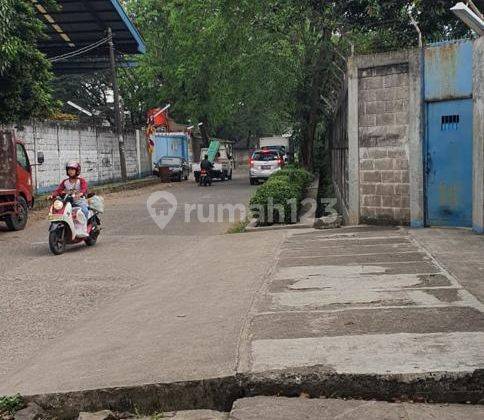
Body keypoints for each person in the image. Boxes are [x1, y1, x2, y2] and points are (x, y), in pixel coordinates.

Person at [52, 161, 89, 235]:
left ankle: (84, 228)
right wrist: (52, 195)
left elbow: (84, 188)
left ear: (77, 171)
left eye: (72, 169)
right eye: (69, 170)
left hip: (79, 201)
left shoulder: (81, 181)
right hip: (68, 201)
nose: (70, 171)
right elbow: (58, 190)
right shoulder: (65, 182)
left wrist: (81, 193)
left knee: (84, 210)